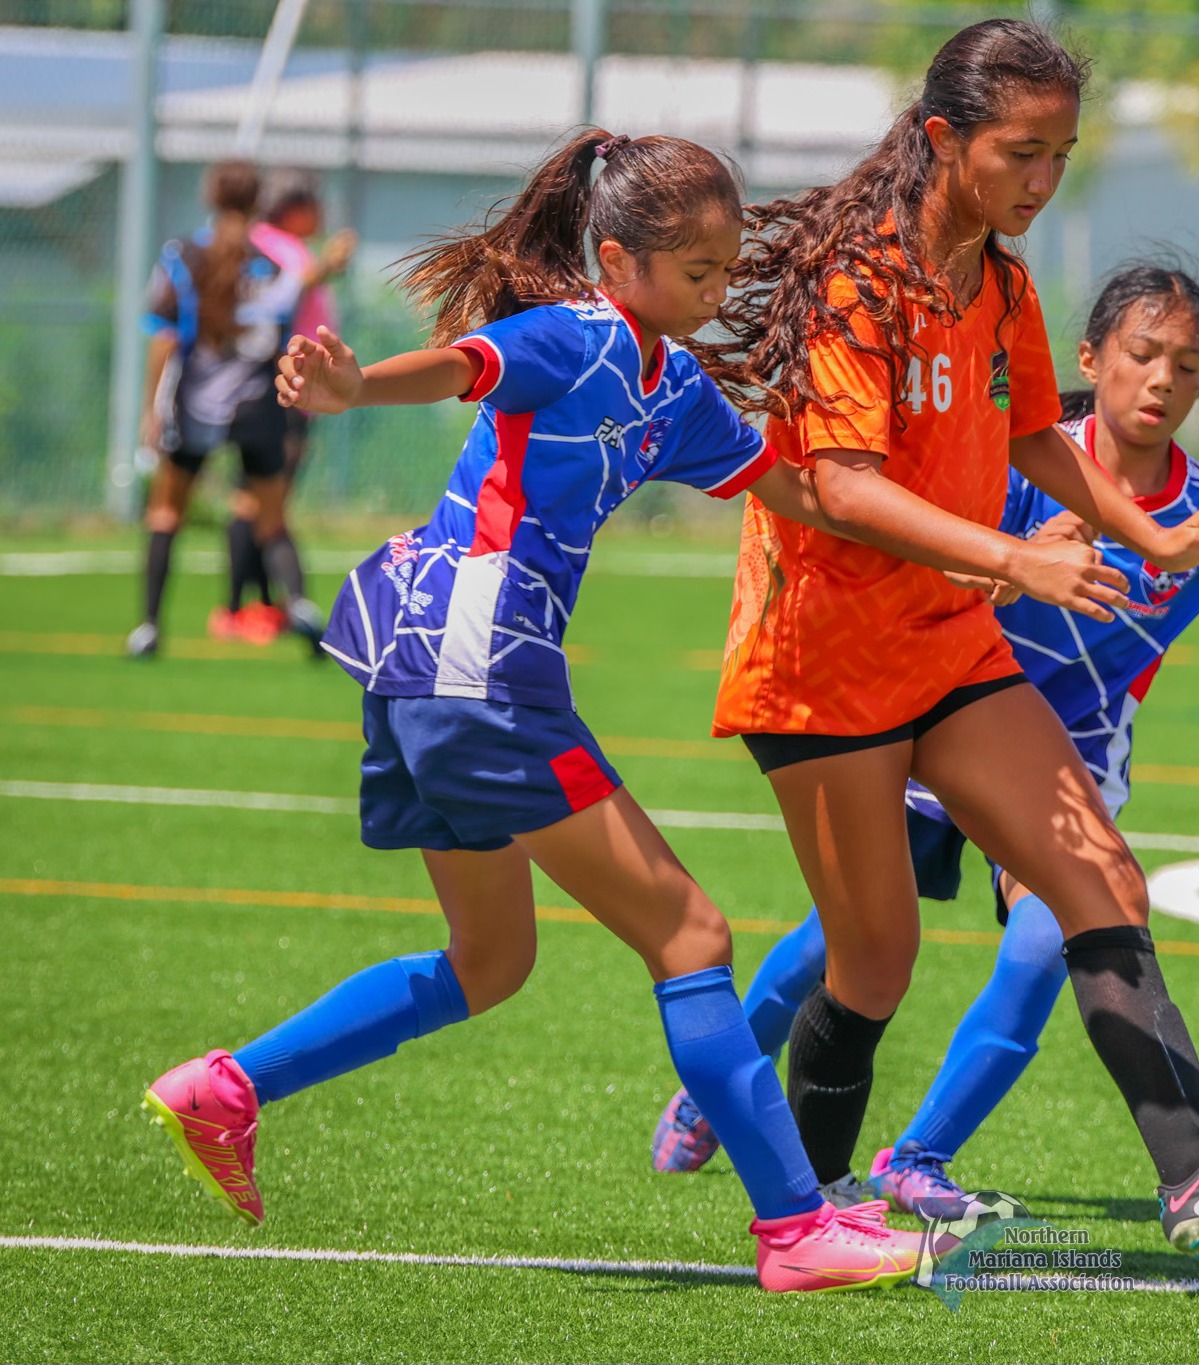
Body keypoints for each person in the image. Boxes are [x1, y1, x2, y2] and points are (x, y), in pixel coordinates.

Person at [141, 130, 936, 1294]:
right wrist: (356, 385)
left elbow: (800, 491)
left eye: (725, 272)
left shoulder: (680, 393)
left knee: (490, 960)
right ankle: (795, 1229)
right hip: (471, 649)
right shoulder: (579, 333)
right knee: (692, 937)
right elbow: (462, 366)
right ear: (616, 262)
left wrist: (975, 542)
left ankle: (225, 1089)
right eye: (697, 272)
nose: (716, 294)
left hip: (418, 648)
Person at [655, 263, 1199, 1232]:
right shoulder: (1013, 477)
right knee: (844, 943)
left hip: (1073, 757)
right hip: (946, 717)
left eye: (1186, 365)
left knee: (1046, 943)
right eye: (1140, 355)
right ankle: (720, 1092)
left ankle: (916, 1159)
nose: (1160, 380)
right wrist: (1024, 564)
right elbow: (931, 583)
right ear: (1088, 360)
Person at [693, 20, 1199, 1254]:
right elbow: (846, 484)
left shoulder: (1003, 283)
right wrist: (1019, 559)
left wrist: (1148, 534)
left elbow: (1031, 438)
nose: (1042, 181)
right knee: (873, 963)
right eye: (1021, 152)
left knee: (1098, 878)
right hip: (822, 656)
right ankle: (805, 1215)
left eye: (1061, 156)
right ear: (940, 139)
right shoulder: (858, 278)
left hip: (947, 639)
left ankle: (1193, 1177)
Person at [130, 160, 315, 658]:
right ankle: (299, 605)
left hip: (196, 406)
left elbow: (163, 337)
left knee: (167, 512)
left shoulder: (183, 255)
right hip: (260, 403)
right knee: (271, 518)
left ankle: (148, 627)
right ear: (259, 201)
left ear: (210, 195)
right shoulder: (277, 263)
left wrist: (151, 410)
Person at [213, 170, 359, 645]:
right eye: (314, 205)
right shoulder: (269, 245)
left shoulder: (281, 244)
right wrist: (326, 265)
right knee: (257, 501)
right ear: (294, 209)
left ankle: (262, 606)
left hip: (291, 390)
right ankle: (240, 608)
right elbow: (283, 293)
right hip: (273, 390)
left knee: (265, 502)